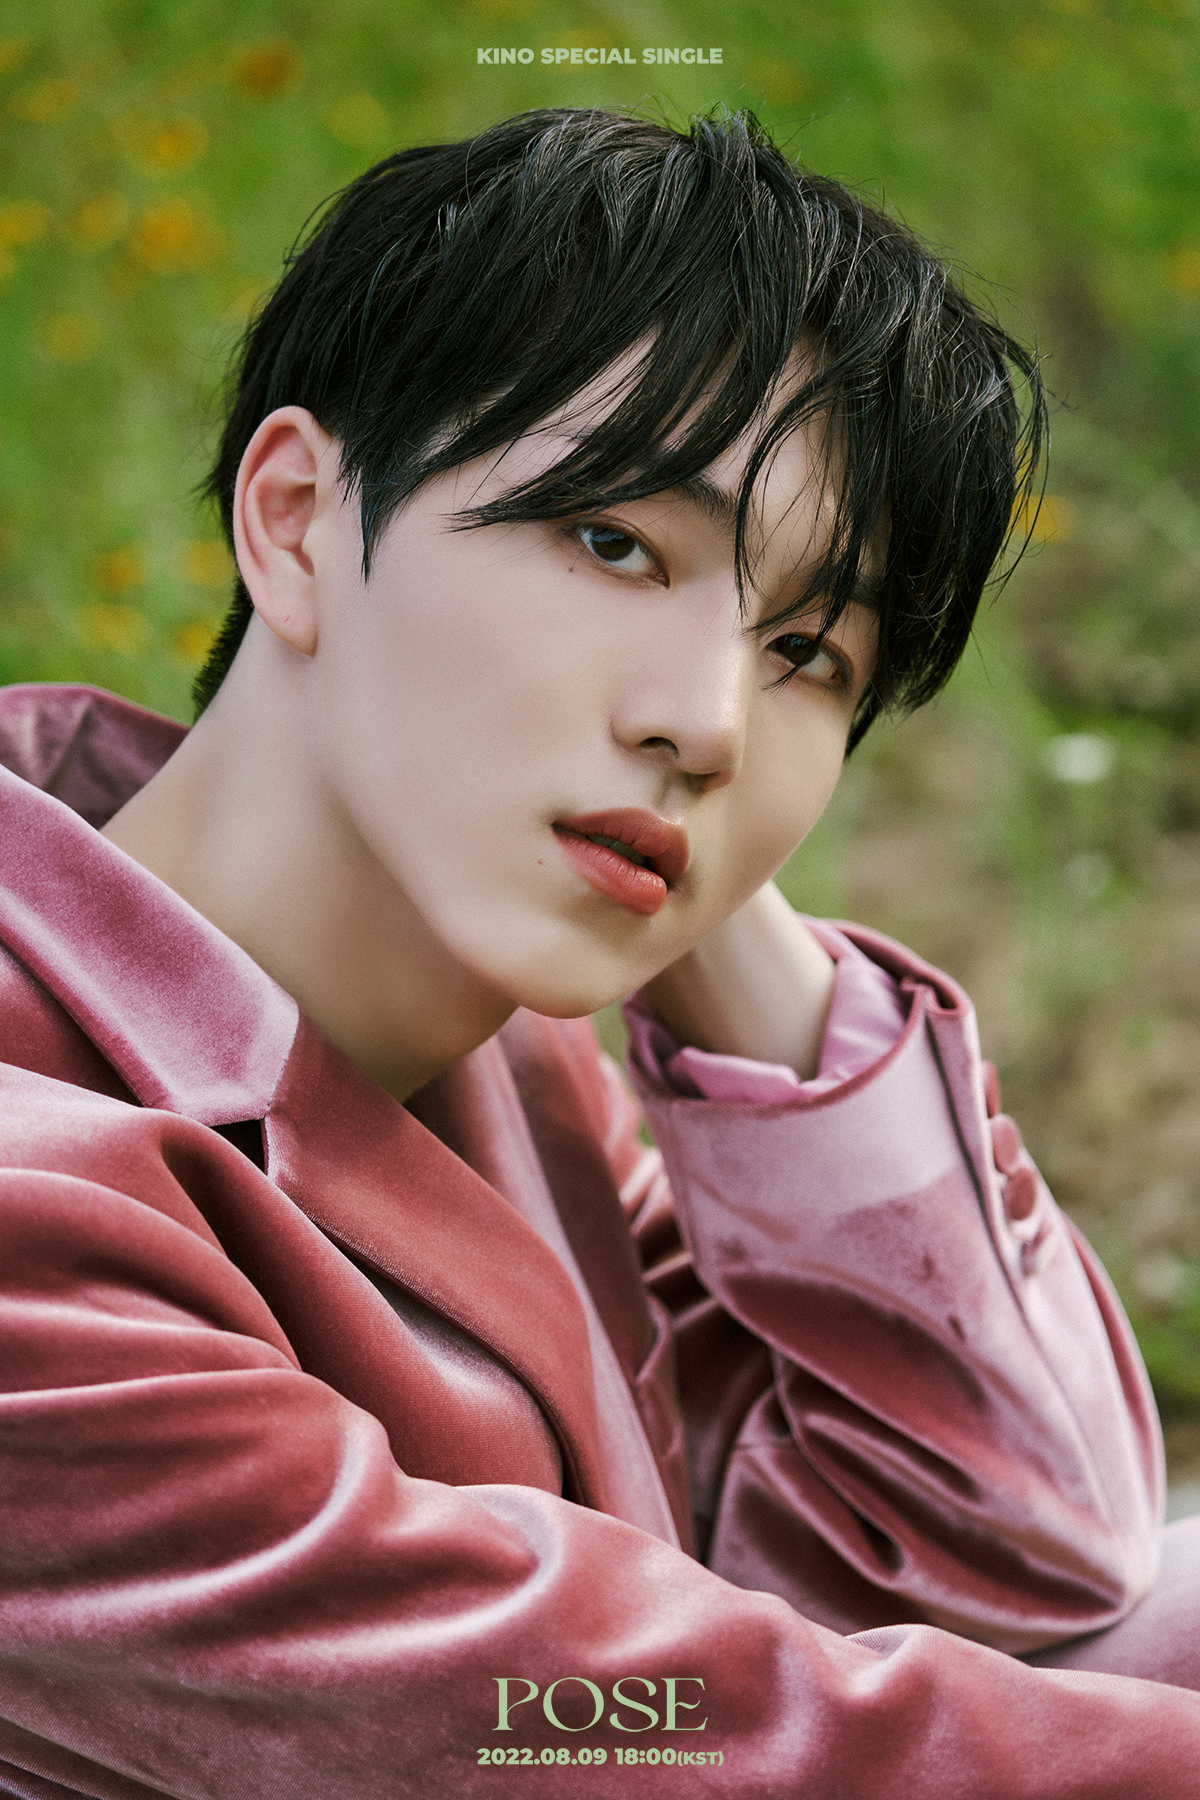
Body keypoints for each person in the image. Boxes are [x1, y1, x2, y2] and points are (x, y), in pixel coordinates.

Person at [0, 105, 1196, 1799]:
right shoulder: (31, 1200)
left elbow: (1028, 1549)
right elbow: (586, 1734)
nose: (709, 721)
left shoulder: (510, 1076)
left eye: (811, 653)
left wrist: (695, 898)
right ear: (294, 519)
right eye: (616, 542)